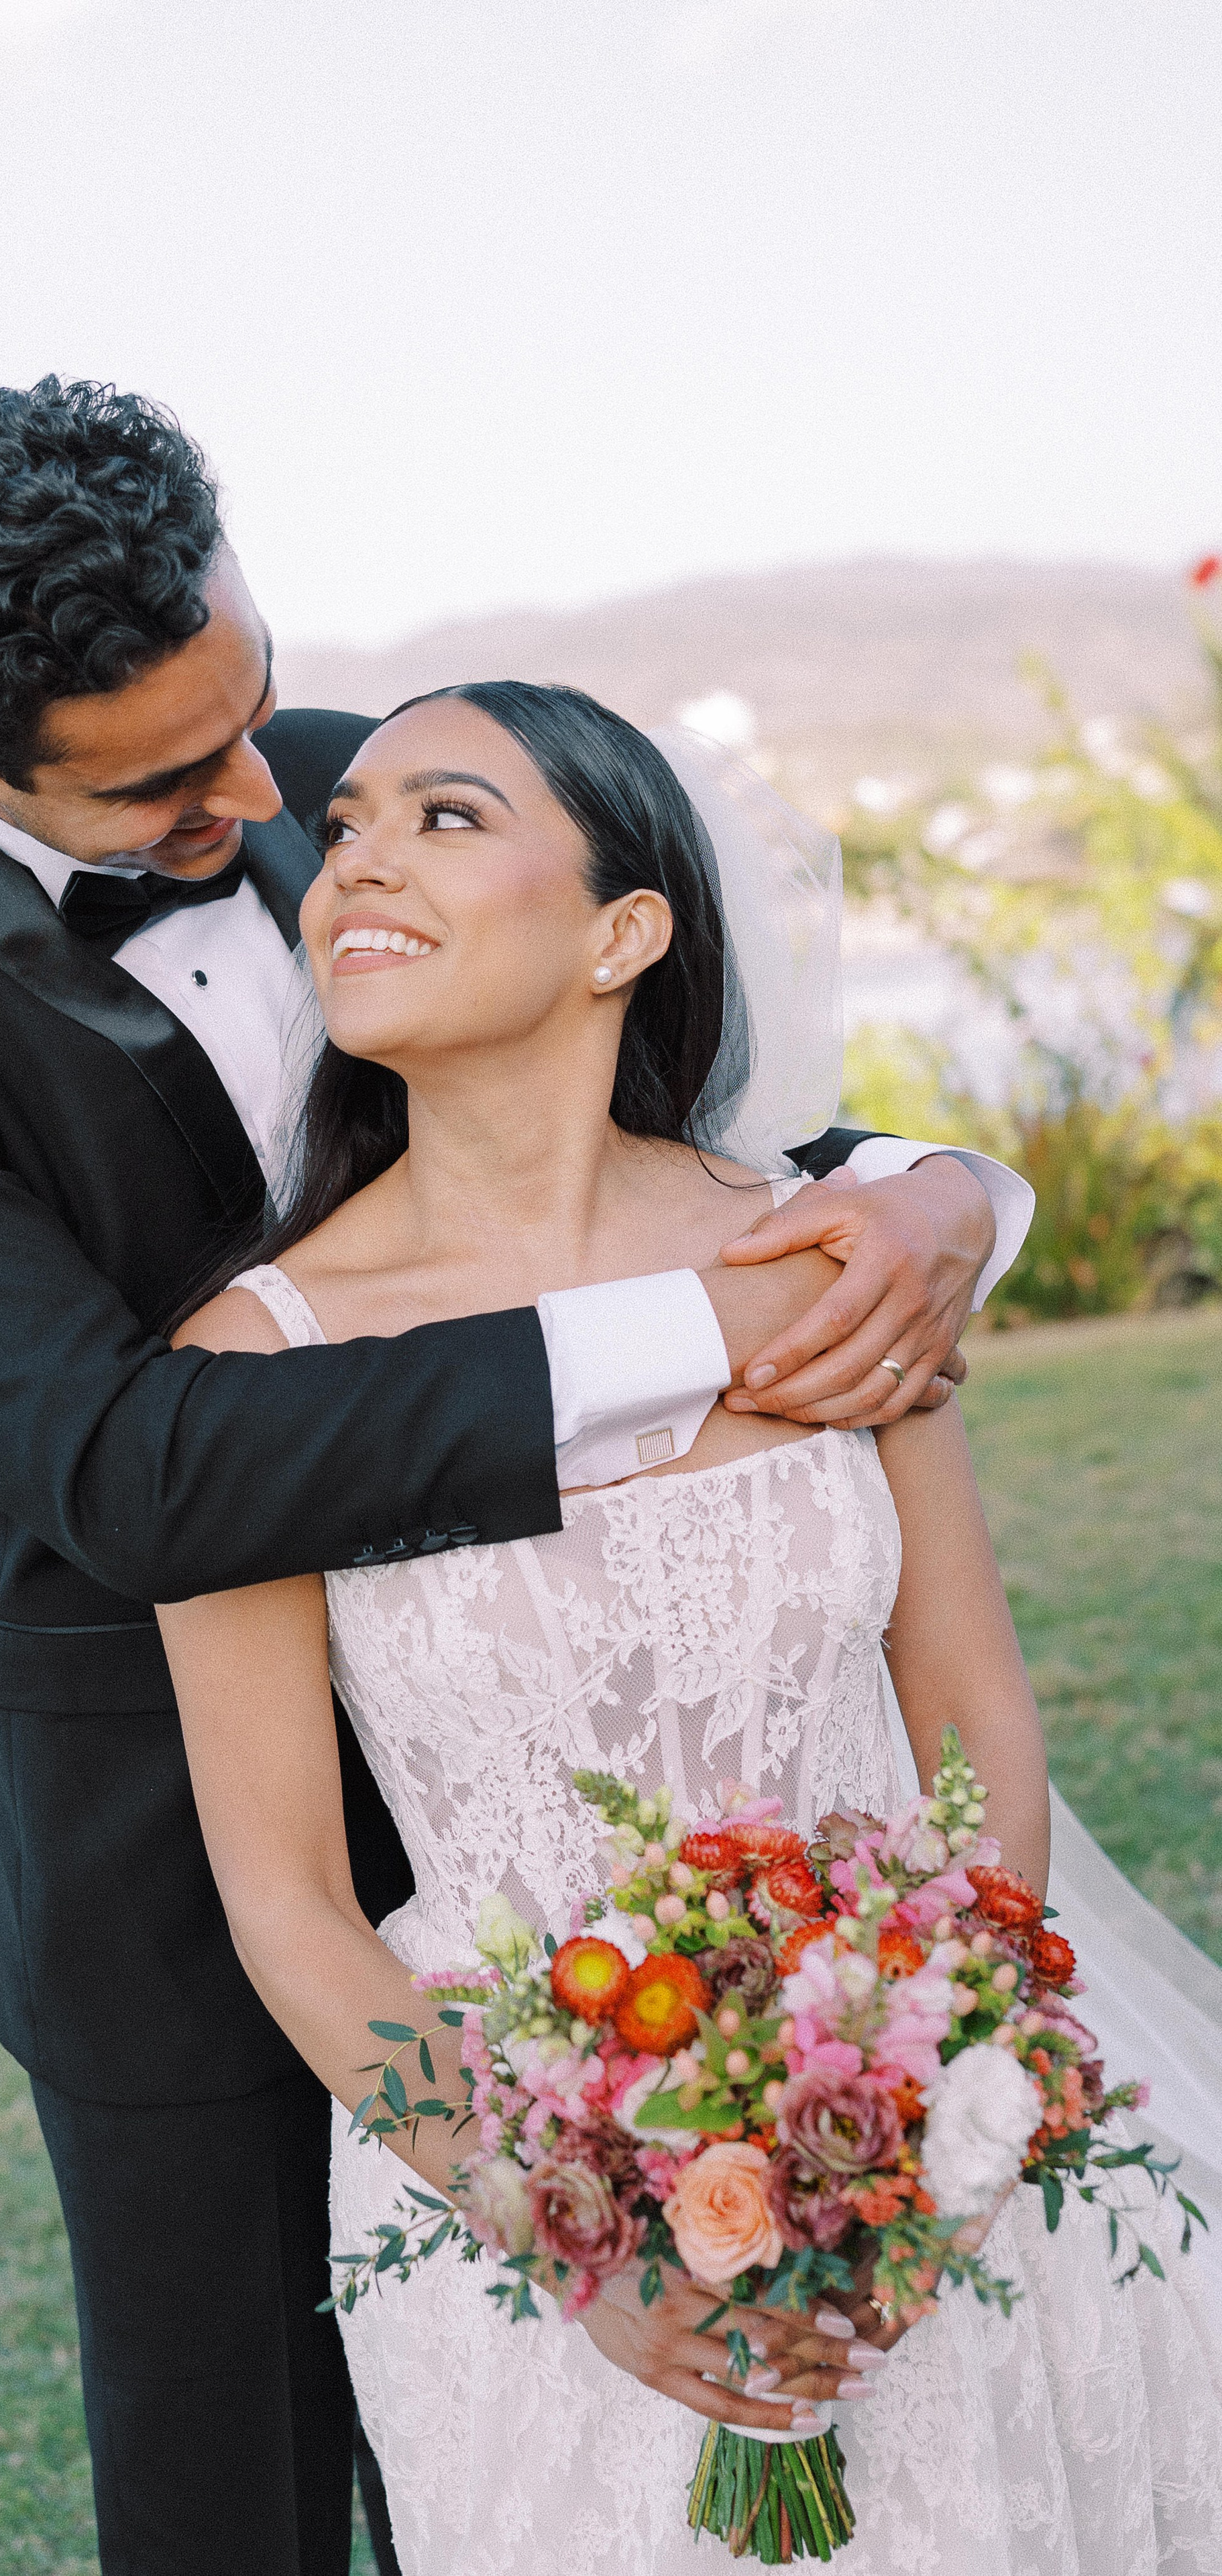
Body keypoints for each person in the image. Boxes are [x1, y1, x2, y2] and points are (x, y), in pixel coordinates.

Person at [0, 380, 1030, 2576]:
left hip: (573, 1743)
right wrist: (700, 1339)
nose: (269, 790)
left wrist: (941, 1191)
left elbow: (682, 1118)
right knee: (238, 2455)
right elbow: (128, 1469)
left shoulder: (358, 789)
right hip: (165, 1803)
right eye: (169, 777)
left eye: (258, 705)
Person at [157, 680, 1222, 2573]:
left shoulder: (839, 1253)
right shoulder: (255, 1366)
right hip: (519, 2212)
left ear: (625, 933)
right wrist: (580, 2239)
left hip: (930, 2145)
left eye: (448, 817)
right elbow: (291, 1907)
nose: (357, 862)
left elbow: (968, 1702)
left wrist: (936, 2103)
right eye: (346, 831)